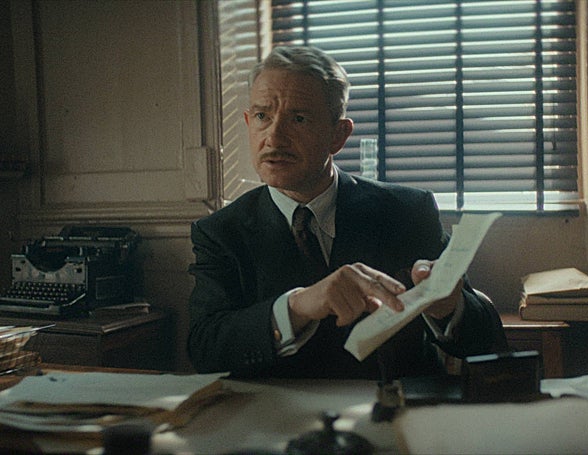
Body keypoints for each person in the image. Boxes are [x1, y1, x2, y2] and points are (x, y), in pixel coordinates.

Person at [187, 45, 506, 379]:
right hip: (276, 409)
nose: (274, 138)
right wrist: (296, 307)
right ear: (248, 122)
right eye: (263, 117)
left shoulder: (408, 211)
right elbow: (204, 349)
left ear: (338, 136)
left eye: (298, 119)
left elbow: (485, 341)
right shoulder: (220, 232)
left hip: (390, 405)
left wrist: (449, 309)